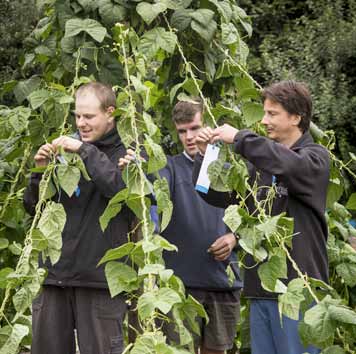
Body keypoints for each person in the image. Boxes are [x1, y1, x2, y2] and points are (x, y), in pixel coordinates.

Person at [193, 81, 330, 354]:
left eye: (272, 114)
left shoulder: (315, 158)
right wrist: (205, 155)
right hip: (261, 289)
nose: (264, 120)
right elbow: (220, 196)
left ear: (296, 117)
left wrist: (240, 138)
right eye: (264, 113)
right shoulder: (262, 166)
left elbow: (287, 164)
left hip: (298, 290)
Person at [119, 99, 242, 354]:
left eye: (195, 128)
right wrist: (135, 169)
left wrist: (234, 237)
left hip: (223, 280)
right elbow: (151, 190)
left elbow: (251, 215)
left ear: (209, 126)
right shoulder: (169, 168)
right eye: (182, 131)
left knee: (217, 350)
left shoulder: (232, 172)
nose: (189, 136)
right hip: (181, 285)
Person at [24, 82, 131, 354]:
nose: (81, 123)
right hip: (54, 278)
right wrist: (40, 173)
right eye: (77, 115)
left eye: (89, 116)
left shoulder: (127, 154)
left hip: (99, 283)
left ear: (110, 113)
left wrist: (84, 151)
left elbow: (121, 193)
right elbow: (33, 208)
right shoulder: (64, 154)